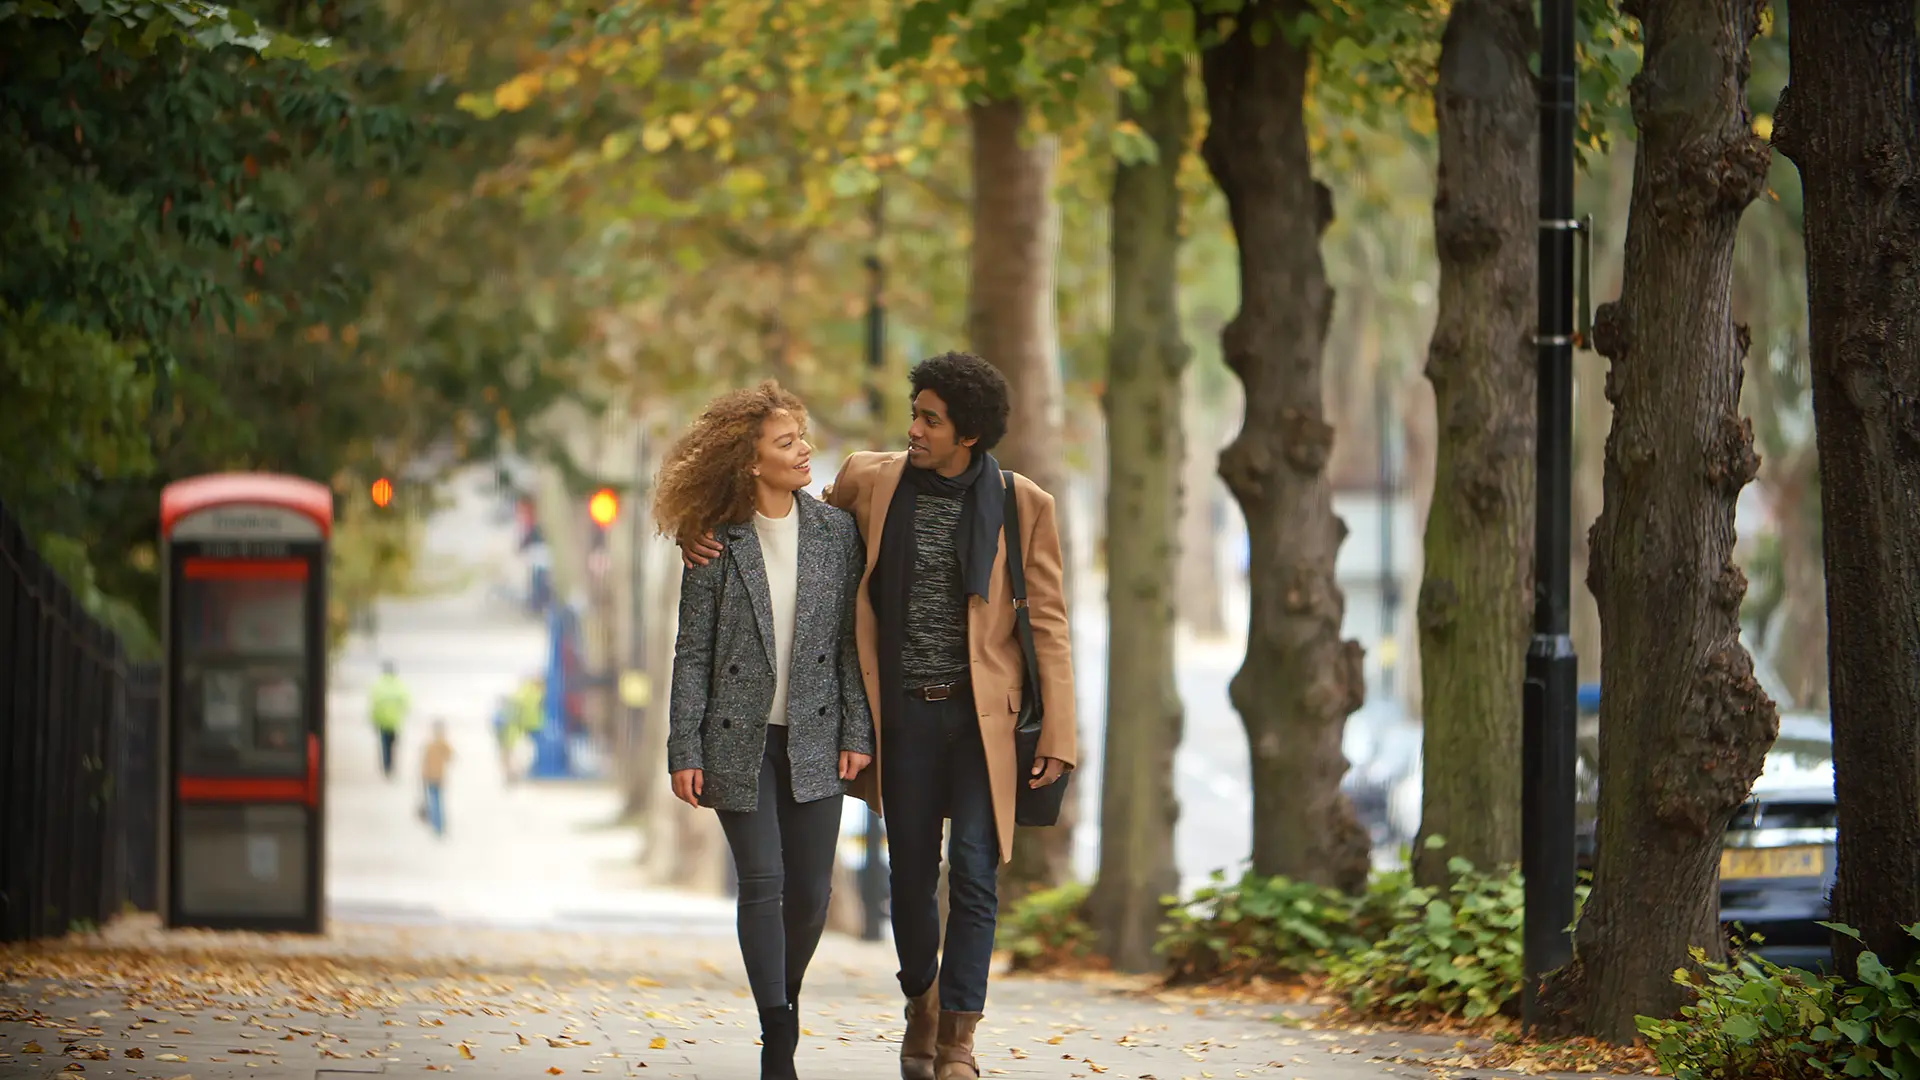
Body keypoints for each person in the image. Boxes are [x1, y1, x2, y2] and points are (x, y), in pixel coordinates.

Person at [682, 353, 1077, 1080]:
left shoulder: (1025, 505)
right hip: (905, 719)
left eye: (931, 419)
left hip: (985, 724)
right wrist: (702, 534)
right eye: (914, 413)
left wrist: (1060, 732)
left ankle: (957, 1040)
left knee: (975, 871)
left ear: (970, 435)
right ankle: (921, 1006)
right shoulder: (871, 478)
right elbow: (793, 534)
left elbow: (1048, 621)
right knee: (910, 878)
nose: (915, 428)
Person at [657, 381, 874, 1080]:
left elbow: (848, 643)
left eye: (801, 436)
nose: (803, 450)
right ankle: (777, 1039)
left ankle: (784, 1001)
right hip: (736, 737)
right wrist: (682, 748)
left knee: (812, 892)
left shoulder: (837, 533)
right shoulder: (714, 543)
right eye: (786, 443)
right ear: (751, 461)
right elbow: (691, 651)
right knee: (764, 879)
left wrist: (857, 730)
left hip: (816, 734)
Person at [368, 661, 410, 780]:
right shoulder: (399, 685)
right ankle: (391, 765)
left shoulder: (378, 685)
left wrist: (373, 719)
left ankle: (387, 765)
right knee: (392, 745)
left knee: (384, 745)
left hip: (382, 721)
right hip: (394, 722)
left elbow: (373, 704)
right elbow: (406, 702)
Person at [419, 720, 454, 838]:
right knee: (438, 801)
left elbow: (424, 762)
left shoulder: (429, 745)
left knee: (434, 800)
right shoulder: (443, 745)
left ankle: (436, 824)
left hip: (430, 777)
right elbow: (450, 757)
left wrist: (423, 776)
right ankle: (439, 824)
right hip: (438, 777)